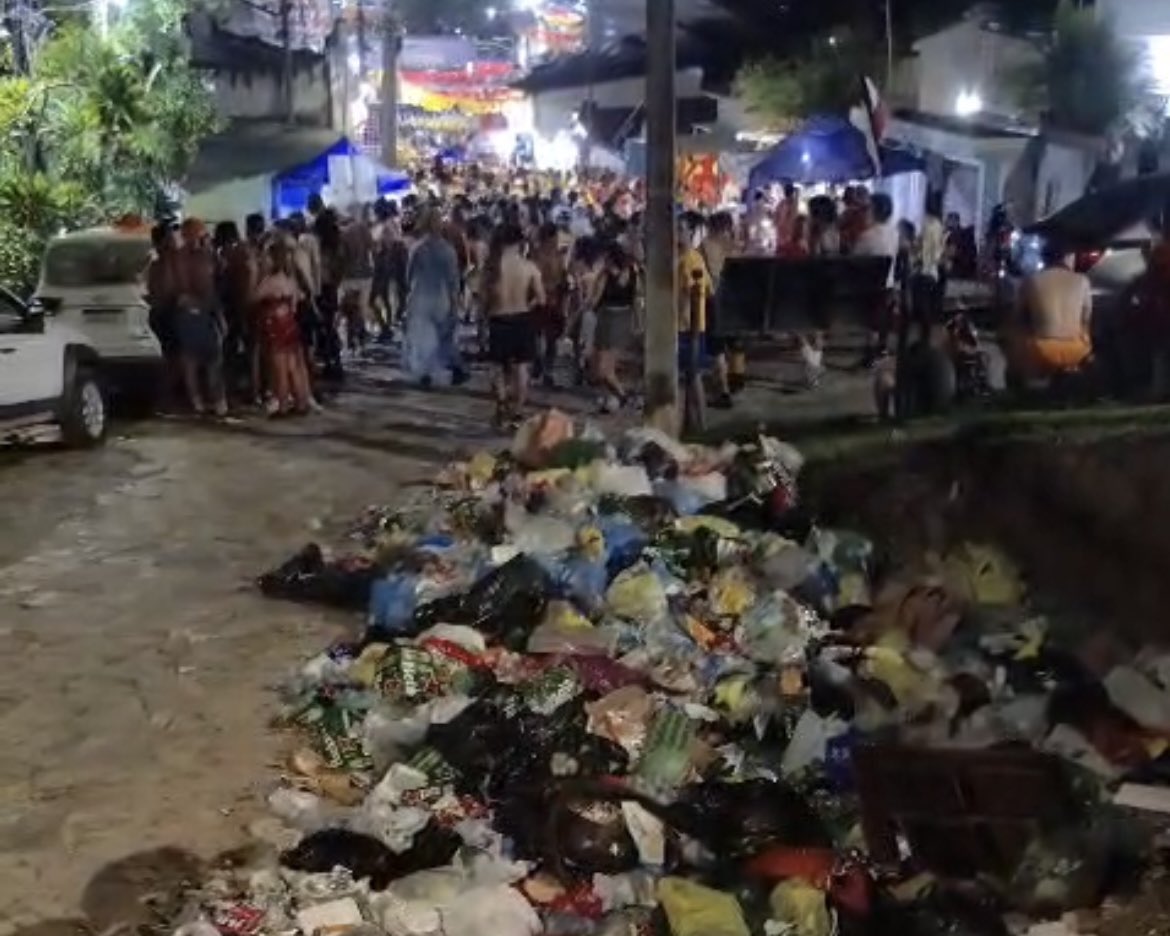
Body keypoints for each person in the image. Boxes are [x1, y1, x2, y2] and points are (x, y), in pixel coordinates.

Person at [1004, 240, 1092, 384]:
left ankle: (1022, 385)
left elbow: (1017, 317)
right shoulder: (1082, 281)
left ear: (1044, 259)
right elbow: (1086, 320)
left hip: (1042, 352)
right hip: (1077, 351)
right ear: (1067, 257)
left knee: (1014, 334)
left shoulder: (1032, 281)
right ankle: (1073, 372)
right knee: (1083, 332)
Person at [483, 222, 544, 426]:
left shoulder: (492, 266)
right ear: (520, 242)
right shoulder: (529, 267)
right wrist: (528, 303)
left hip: (498, 319)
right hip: (522, 318)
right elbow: (542, 299)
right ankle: (518, 410)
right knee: (522, 368)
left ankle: (501, 404)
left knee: (497, 366)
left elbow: (483, 297)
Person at [404, 207, 466, 388]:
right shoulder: (448, 250)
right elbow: (454, 281)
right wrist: (455, 305)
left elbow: (409, 276)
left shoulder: (417, 248)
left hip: (421, 297)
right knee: (444, 336)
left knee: (422, 339)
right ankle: (454, 368)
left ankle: (425, 373)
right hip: (442, 298)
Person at [253, 237, 316, 415]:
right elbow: (297, 303)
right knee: (294, 364)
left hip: (275, 325)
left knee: (279, 367)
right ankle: (301, 402)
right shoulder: (290, 280)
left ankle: (282, 405)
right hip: (290, 322)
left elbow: (255, 297)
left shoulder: (270, 281)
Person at [172, 218, 228, 416]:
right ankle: (206, 400)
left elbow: (216, 276)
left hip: (199, 310)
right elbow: (205, 284)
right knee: (197, 359)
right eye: (201, 232)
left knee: (201, 359)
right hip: (194, 311)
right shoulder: (187, 257)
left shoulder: (202, 255)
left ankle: (208, 399)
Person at [853, 192, 900, 366]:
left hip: (871, 286)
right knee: (881, 318)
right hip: (888, 284)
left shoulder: (867, 236)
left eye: (868, 209)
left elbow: (855, 258)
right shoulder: (894, 233)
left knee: (871, 320)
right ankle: (881, 349)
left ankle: (870, 354)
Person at [698, 211, 739, 405]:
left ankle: (723, 391)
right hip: (736, 299)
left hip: (716, 299)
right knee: (733, 344)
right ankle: (735, 380)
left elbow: (710, 273)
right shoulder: (734, 245)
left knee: (717, 348)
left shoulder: (707, 245)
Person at [531, 221, 568, 387]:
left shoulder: (538, 255)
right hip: (548, 300)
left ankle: (544, 366)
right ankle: (545, 368)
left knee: (543, 336)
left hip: (544, 300)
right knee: (545, 337)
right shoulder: (552, 256)